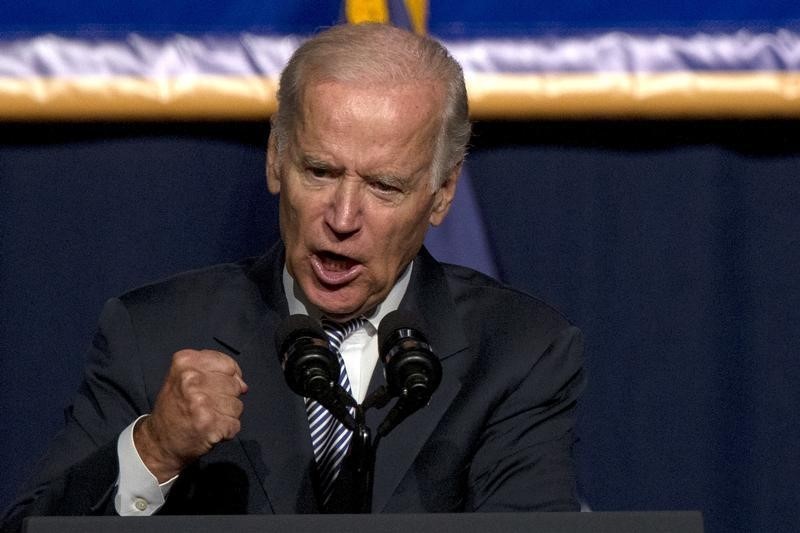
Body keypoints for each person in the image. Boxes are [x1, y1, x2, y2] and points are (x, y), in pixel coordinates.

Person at [1, 23, 585, 530]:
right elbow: (33, 529)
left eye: (384, 186)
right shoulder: (151, 333)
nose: (343, 218)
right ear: (275, 157)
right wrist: (153, 450)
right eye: (320, 171)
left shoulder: (517, 353)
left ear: (441, 194)